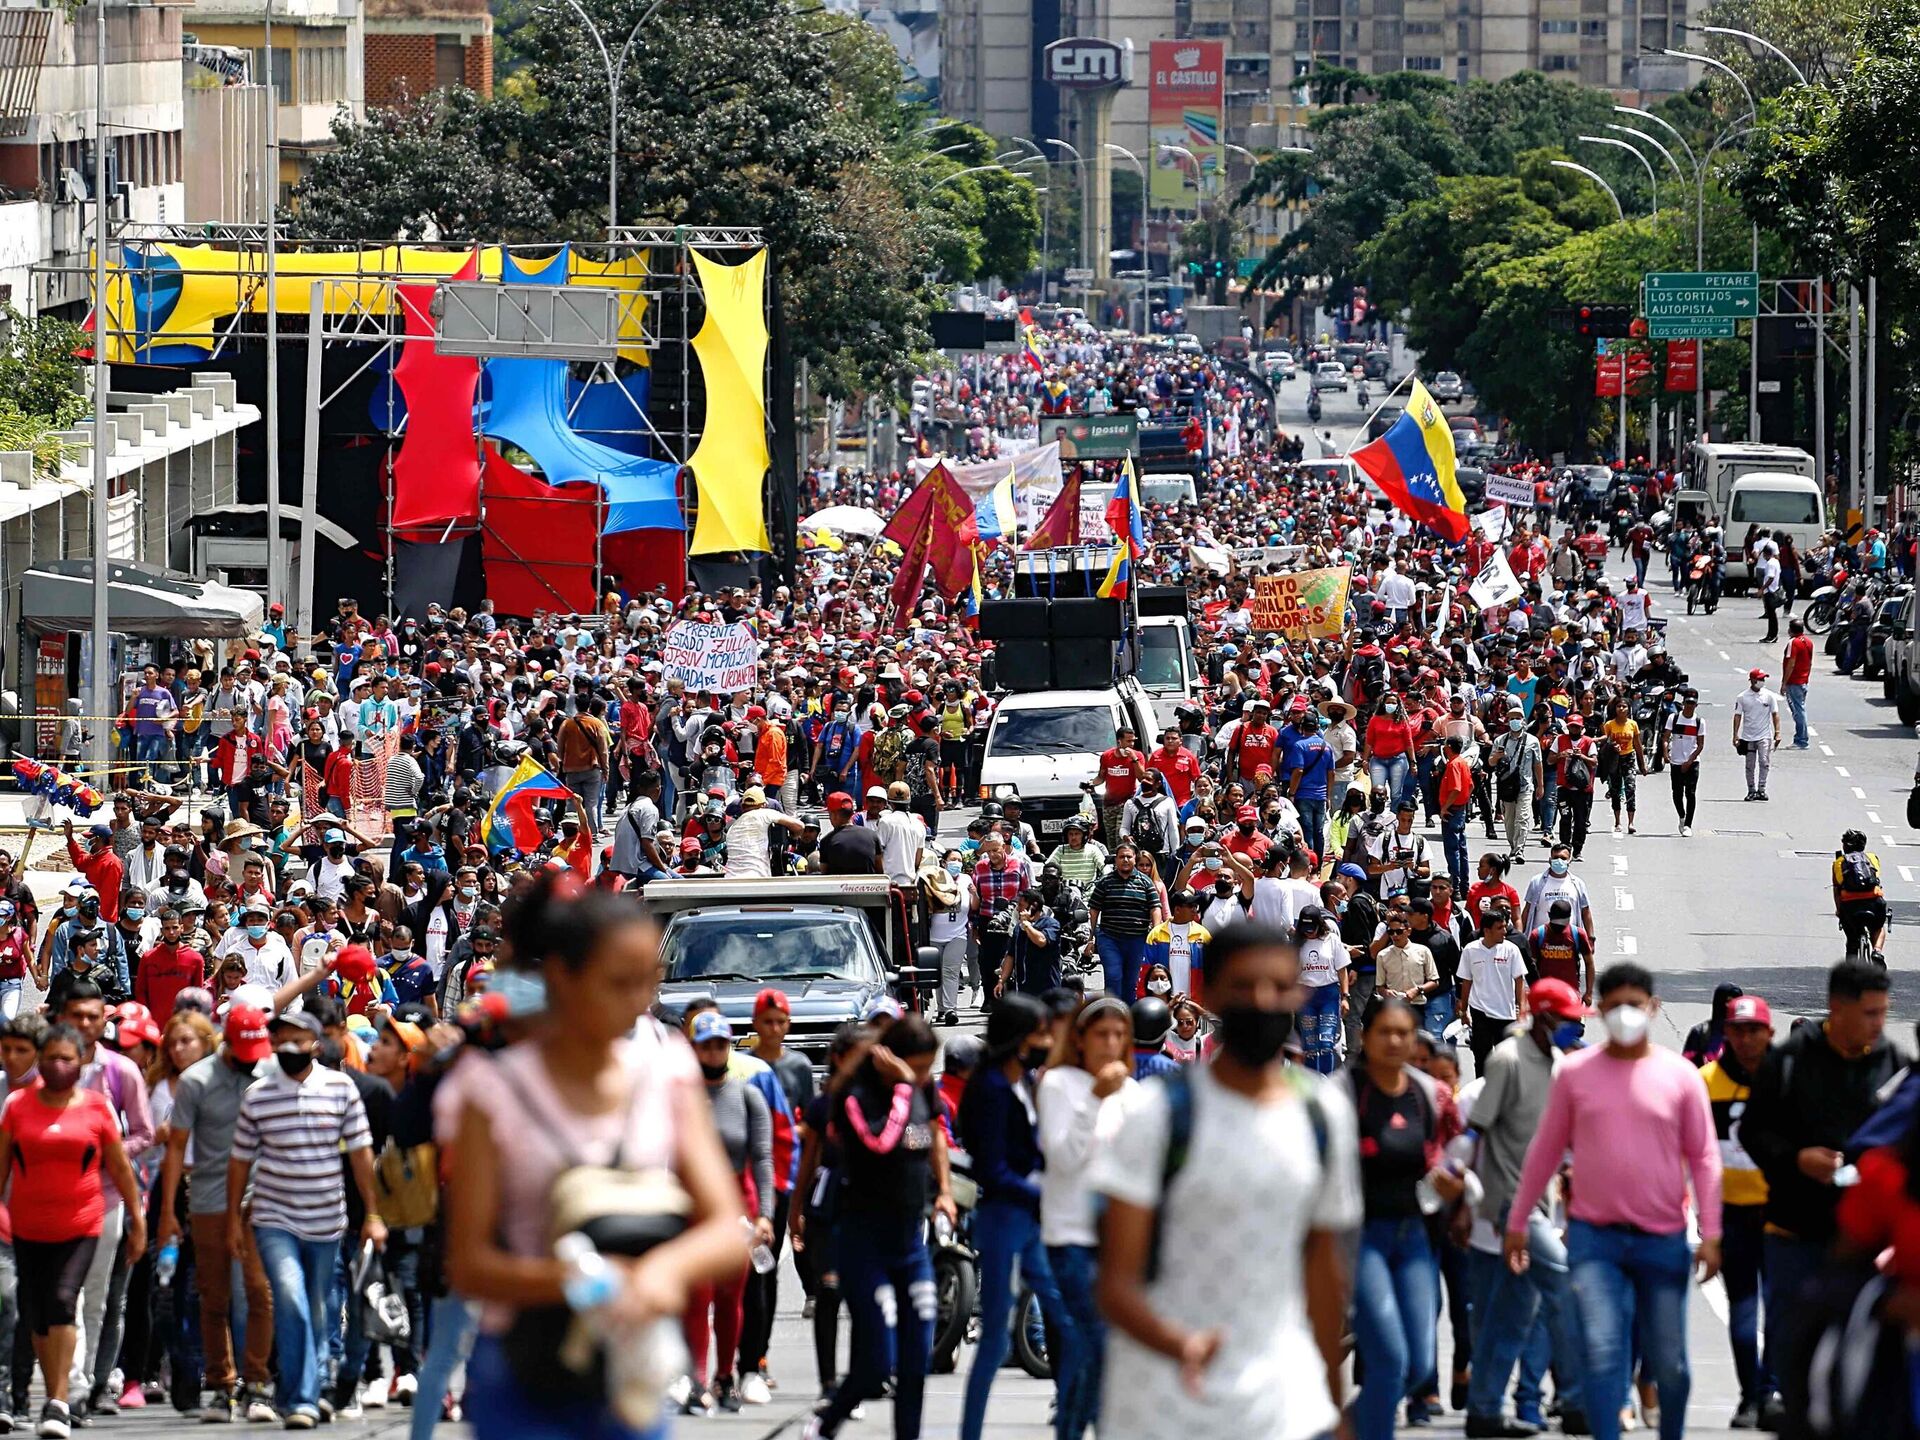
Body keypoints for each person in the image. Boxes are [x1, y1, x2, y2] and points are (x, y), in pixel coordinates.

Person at [442, 871, 748, 1440]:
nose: (639, 1002)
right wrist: (586, 1282)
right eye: (619, 983)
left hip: (631, 1367)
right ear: (563, 977)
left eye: (648, 982)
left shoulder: (669, 1071)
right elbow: (468, 1262)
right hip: (525, 1371)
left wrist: (662, 1270)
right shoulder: (491, 1091)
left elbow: (727, 1228)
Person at [1090, 922, 1361, 1440]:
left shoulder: (1323, 1115)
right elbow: (1114, 1281)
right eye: (1243, 986)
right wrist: (1180, 1346)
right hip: (1162, 1407)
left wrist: (1332, 1403)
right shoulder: (1157, 1118)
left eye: (1278, 988)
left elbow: (1323, 1273)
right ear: (1207, 994)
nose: (1262, 1001)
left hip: (1283, 1407)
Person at [1504, 964, 1723, 1440]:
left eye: (1636, 1004)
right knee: (1602, 1353)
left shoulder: (1681, 1076)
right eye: (1616, 1005)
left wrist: (1712, 1232)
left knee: (1671, 1362)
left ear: (1654, 1007)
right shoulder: (1576, 1074)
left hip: (1662, 1239)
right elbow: (1544, 1151)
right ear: (1599, 1011)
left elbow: (1704, 1157)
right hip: (1594, 1240)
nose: (1627, 1013)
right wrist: (1518, 1219)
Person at [1736, 959, 1900, 1432]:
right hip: (1795, 1239)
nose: (1879, 1024)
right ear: (1836, 1009)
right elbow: (1753, 1131)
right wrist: (1796, 1159)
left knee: (1861, 1372)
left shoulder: (1892, 1065)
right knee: (1796, 1364)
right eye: (1869, 1013)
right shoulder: (1788, 1062)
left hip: (1865, 1251)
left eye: (1883, 1012)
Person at [227, 1009, 384, 1428]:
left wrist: (372, 1213)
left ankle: (308, 1389)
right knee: (292, 1299)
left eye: (297, 1039)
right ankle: (301, 1399)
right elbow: (240, 1161)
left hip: (327, 1219)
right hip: (274, 1216)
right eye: (281, 1040)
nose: (288, 1047)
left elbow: (361, 1153)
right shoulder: (257, 1095)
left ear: (316, 1044)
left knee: (316, 1307)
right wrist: (231, 1222)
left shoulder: (340, 1089)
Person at [803, 1014, 955, 1440]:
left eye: (928, 1068)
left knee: (914, 1358)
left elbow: (933, 1137)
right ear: (888, 1058)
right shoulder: (853, 1096)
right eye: (917, 1066)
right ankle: (824, 1426)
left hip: (909, 1244)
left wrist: (944, 1189)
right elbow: (879, 1144)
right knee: (876, 1361)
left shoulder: (920, 1089)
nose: (924, 1075)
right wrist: (906, 1087)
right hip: (865, 1244)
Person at [0, 1023, 145, 1440]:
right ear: (39, 1061)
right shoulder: (16, 1106)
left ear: (81, 1061)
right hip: (26, 1226)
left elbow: (119, 1168)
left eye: (67, 1058)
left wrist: (137, 1221)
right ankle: (52, 1389)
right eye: (51, 1058)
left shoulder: (97, 1108)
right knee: (39, 1311)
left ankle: (58, 1400)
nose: (58, 1066)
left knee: (64, 1301)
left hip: (81, 1223)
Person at [1465, 978, 1591, 1439]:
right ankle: (1577, 1403)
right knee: (1561, 1280)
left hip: (1541, 1200)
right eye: (1569, 1021)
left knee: (1513, 1314)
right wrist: (1454, 1181)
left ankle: (1483, 1411)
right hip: (1507, 1201)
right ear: (1543, 1017)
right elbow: (1476, 1129)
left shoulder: (1560, 1065)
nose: (1575, 1029)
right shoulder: (1507, 1060)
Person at [1346, 996, 1462, 1440]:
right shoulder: (1341, 1094)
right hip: (1362, 1237)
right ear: (1364, 1036)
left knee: (1418, 1365)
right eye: (1384, 1032)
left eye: (1404, 1033)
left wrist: (1454, 1184)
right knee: (1390, 1360)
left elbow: (1452, 1151)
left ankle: (1340, 1428)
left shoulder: (1428, 1095)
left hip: (1415, 1234)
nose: (1395, 1041)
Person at [155, 1001, 276, 1423]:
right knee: (213, 1295)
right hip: (207, 1199)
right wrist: (169, 1211)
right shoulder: (196, 1081)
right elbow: (174, 1149)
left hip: (259, 1201)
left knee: (260, 1293)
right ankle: (222, 1385)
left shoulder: (268, 1072)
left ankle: (257, 1383)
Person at [958, 994, 1064, 1440]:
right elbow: (994, 1169)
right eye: (1039, 1032)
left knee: (1067, 1319)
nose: (1046, 1040)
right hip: (1004, 1220)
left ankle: (1072, 1413)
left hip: (1028, 1219)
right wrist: (1040, 1188)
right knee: (995, 1339)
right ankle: (971, 1432)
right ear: (1018, 1038)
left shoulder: (1022, 1081)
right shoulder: (992, 1088)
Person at [1036, 997, 1134, 1440]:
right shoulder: (1058, 1084)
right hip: (1071, 1235)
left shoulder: (1132, 1093)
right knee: (1097, 1343)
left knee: (1100, 1353)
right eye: (1101, 1035)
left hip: (1118, 1240)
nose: (1111, 1045)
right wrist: (1095, 1098)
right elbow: (1063, 1157)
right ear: (1079, 1039)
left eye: (1119, 1035)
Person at [683, 1011, 771, 1414]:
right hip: (694, 1203)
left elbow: (763, 1158)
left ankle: (725, 1376)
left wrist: (766, 1216)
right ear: (695, 1047)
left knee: (731, 1295)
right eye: (706, 1044)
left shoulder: (747, 1094)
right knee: (697, 1296)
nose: (714, 1051)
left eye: (721, 1044)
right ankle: (697, 1378)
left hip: (739, 1202)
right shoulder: (680, 1096)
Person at [1697, 994, 1774, 1429]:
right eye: (1738, 1031)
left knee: (1780, 1305)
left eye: (1754, 1031)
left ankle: (1773, 1390)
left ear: (1770, 1033)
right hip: (1730, 1213)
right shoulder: (1704, 1083)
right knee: (1744, 1306)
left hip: (1781, 1211)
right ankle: (1751, 1395)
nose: (1746, 1040)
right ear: (1725, 1033)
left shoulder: (1786, 1079)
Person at [1459, 905, 1528, 1074]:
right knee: (1482, 1057)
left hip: (1506, 1013)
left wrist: (1521, 1009)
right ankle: (1482, 1093)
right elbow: (1466, 981)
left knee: (1507, 1059)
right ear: (1487, 930)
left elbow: (1519, 980)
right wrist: (1463, 1010)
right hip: (1480, 1012)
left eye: (1505, 926)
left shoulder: (1511, 950)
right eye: (1500, 928)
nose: (1504, 931)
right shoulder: (1470, 950)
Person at [1831, 827, 1888, 963]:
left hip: (1850, 905)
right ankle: (1877, 951)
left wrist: (1839, 910)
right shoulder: (1872, 858)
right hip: (1874, 902)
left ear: (1844, 846)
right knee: (1878, 927)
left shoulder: (1838, 862)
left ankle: (1850, 968)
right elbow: (1875, 879)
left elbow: (1837, 889)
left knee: (1852, 938)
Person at [1732, 668, 1781, 803]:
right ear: (1752, 680)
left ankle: (1762, 789)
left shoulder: (1769, 696)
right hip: (1748, 736)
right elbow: (1737, 716)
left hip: (1764, 735)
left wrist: (1777, 733)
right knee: (1750, 765)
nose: (1762, 681)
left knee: (1764, 761)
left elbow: (1775, 715)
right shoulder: (1742, 697)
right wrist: (1735, 735)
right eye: (1760, 679)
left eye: (1763, 679)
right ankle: (1751, 790)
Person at [1664, 688, 1705, 837]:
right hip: (1676, 761)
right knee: (1677, 793)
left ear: (1696, 705)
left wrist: (1690, 761)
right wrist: (1665, 753)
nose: (1690, 706)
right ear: (1683, 703)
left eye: (1693, 703)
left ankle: (1688, 824)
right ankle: (1681, 816)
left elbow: (1700, 745)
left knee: (1691, 793)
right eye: (1687, 702)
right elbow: (1665, 738)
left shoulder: (1699, 722)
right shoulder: (1673, 718)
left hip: (1692, 762)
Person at [1782, 617, 1813, 750]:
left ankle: (1801, 739)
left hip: (1794, 681)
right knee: (1800, 709)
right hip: (1803, 680)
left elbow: (1791, 663)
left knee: (1797, 711)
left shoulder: (1793, 643)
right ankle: (1801, 738)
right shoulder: (1808, 642)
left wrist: (1784, 682)